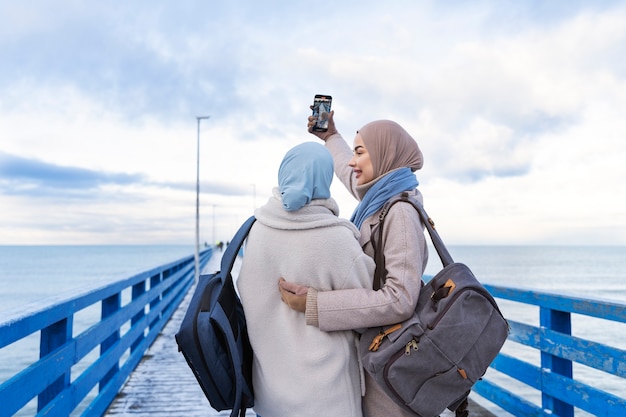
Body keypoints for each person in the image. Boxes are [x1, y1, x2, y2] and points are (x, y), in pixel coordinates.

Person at [279, 112, 428, 417]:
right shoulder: (377, 198)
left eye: (360, 152)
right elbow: (351, 173)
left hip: (393, 364)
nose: (351, 162)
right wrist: (330, 136)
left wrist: (316, 304)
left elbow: (400, 299)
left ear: (385, 156)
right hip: (379, 355)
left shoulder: (399, 212)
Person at [236, 141, 375, 417]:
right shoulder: (337, 239)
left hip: (270, 397)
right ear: (324, 179)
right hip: (328, 400)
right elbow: (370, 309)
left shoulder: (256, 231)